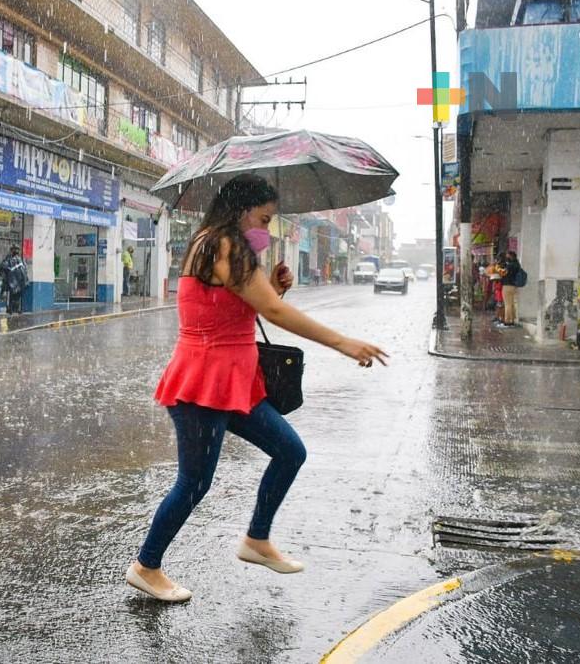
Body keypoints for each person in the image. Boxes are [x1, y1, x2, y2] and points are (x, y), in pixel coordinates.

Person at [126, 175, 388, 602]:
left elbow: (237, 304)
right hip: (205, 381)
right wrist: (342, 342)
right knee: (194, 483)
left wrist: (275, 286)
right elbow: (270, 309)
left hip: (233, 382)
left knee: (290, 451)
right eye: (264, 219)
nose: (266, 229)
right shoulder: (225, 244)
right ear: (241, 209)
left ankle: (256, 540)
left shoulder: (219, 243)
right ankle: (146, 566)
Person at [0, 245, 27, 314]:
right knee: (10, 295)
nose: (16, 251)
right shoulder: (7, 259)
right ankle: (9, 308)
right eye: (15, 250)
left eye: (17, 250)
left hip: (19, 281)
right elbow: (3, 267)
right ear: (11, 250)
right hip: (10, 281)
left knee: (18, 296)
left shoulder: (21, 259)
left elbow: (24, 268)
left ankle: (16, 308)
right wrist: (5, 278)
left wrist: (24, 279)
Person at [501, 250, 521, 327]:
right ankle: (512, 319)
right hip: (514, 286)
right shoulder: (517, 265)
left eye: (507, 256)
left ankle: (507, 320)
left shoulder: (509, 266)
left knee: (507, 304)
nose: (506, 257)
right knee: (512, 304)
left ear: (511, 256)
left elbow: (503, 274)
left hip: (507, 286)